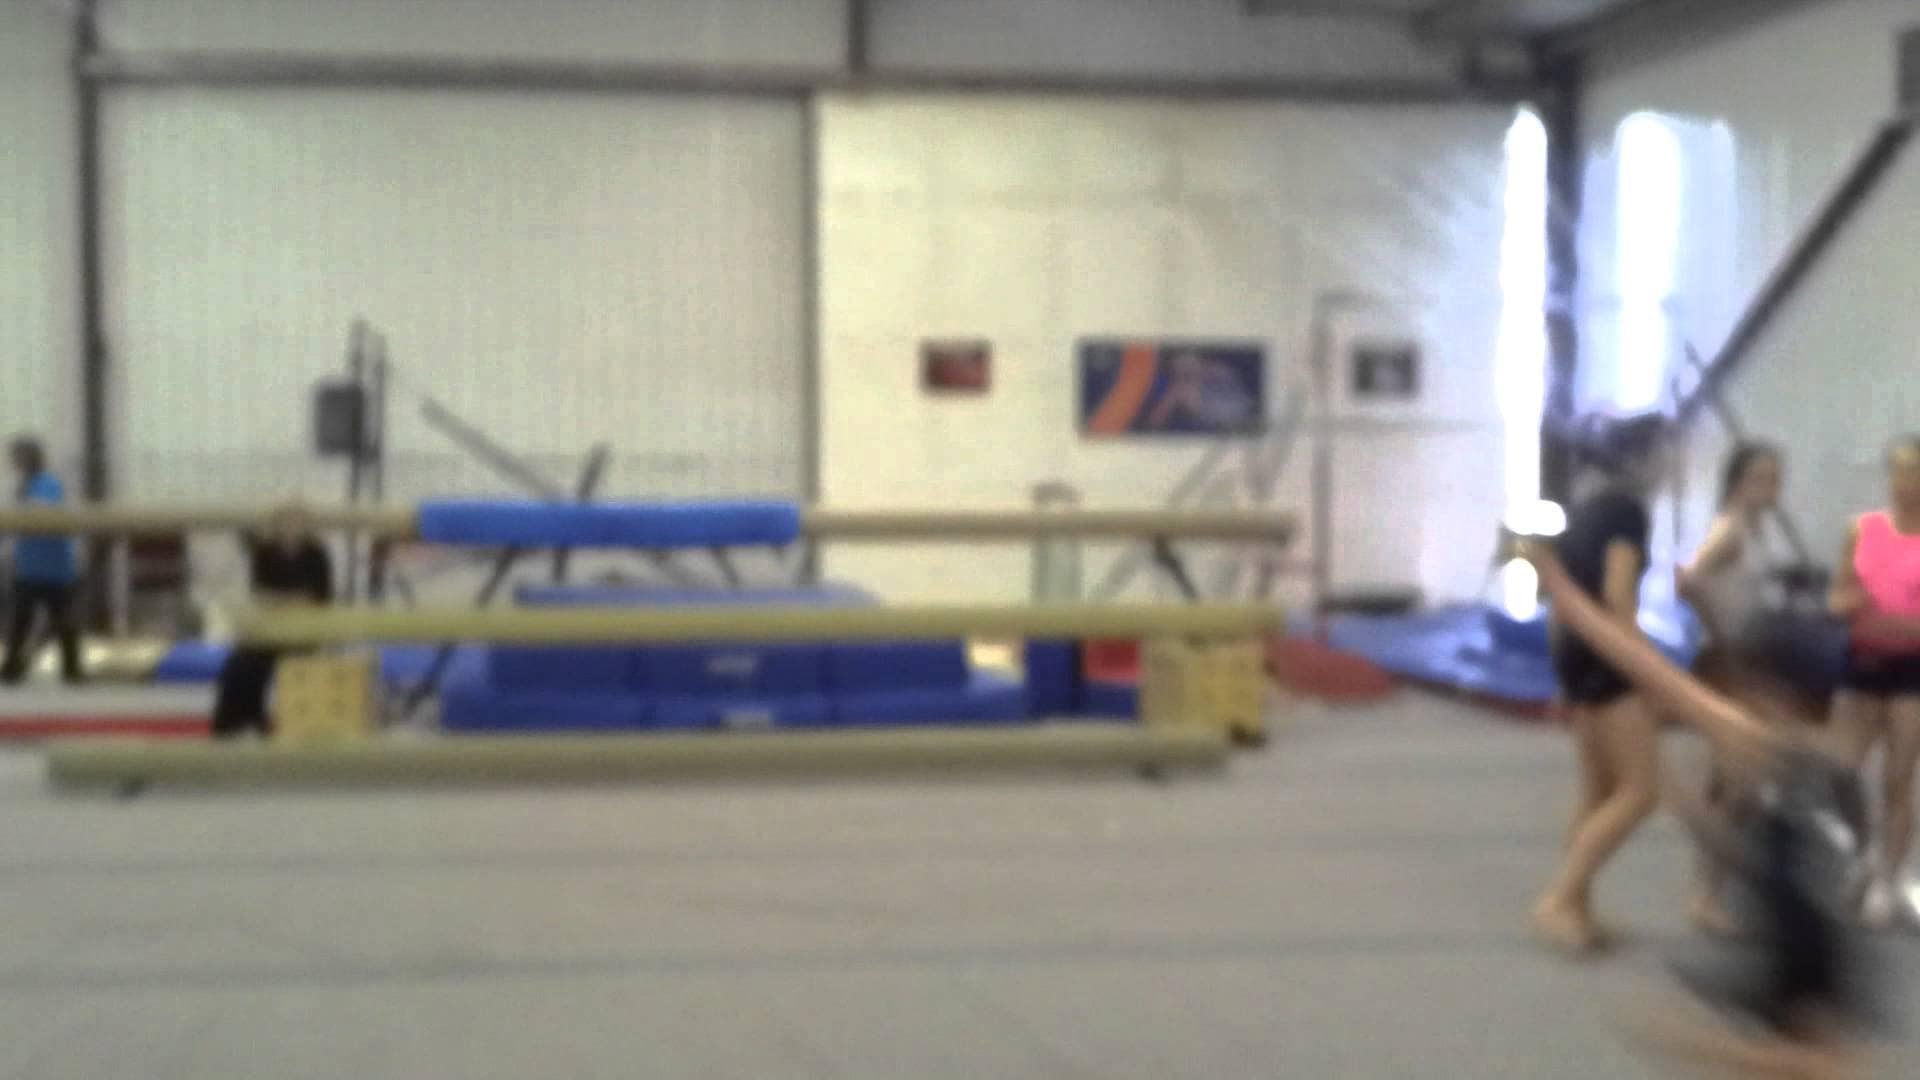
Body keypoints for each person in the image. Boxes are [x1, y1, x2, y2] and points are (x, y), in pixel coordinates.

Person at [1514, 533, 1874, 1079]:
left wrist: (1695, 1044)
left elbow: (1645, 667)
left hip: (1804, 960)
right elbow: (1785, 853)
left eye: (1747, 685)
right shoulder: (1826, 761)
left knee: (1801, 1053)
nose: (1731, 695)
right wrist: (1695, 813)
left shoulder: (1757, 742)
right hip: (1801, 947)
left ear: (1774, 693)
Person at [1530, 411, 1669, 954]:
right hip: (1609, 660)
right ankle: (1561, 898)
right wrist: (1647, 671)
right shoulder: (1628, 513)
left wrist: (1563, 675)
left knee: (1596, 792)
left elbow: (1561, 602)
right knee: (1640, 792)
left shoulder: (1584, 511)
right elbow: (1617, 597)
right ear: (1642, 460)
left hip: (1576, 653)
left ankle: (1578, 910)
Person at [1677, 441, 1802, 932]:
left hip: (1752, 661)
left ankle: (1715, 891)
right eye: (1761, 479)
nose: (1771, 488)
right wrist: (1720, 631)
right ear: (1737, 482)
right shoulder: (1729, 530)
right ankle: (1705, 895)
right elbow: (1688, 581)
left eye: (1775, 479)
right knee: (1736, 785)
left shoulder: (1758, 530)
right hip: (1731, 662)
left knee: (1742, 784)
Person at [1826, 435, 1920, 927]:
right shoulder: (1862, 529)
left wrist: (1902, 625)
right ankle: (1862, 851)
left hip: (1911, 672)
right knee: (1840, 769)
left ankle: (1888, 876)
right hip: (1862, 663)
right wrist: (1851, 605)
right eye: (1900, 471)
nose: (1907, 482)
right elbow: (1836, 599)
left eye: (1916, 472)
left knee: (1898, 779)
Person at [210, 503, 332, 739]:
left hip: (304, 631)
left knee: (267, 657)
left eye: (295, 523)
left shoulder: (317, 554)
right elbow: (261, 595)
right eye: (284, 524)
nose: (290, 529)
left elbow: (320, 598)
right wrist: (291, 600)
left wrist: (285, 602)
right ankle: (240, 719)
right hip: (273, 628)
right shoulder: (265, 552)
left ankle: (264, 718)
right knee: (240, 664)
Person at [2, 436, 83, 685]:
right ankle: (12, 668)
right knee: (21, 620)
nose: (17, 462)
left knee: (64, 621)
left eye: (21, 456)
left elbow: (44, 510)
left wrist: (23, 510)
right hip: (28, 566)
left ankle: (72, 670)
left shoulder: (48, 483)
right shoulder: (21, 486)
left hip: (54, 567)